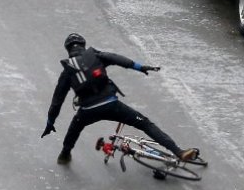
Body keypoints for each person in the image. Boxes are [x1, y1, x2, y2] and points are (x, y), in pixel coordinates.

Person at [42, 33, 199, 165]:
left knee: (74, 129)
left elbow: (57, 101)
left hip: (88, 111)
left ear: (68, 50)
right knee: (144, 123)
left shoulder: (67, 72)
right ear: (83, 45)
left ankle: (65, 154)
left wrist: (50, 123)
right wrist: (140, 67)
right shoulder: (95, 56)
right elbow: (117, 58)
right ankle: (178, 152)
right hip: (112, 105)